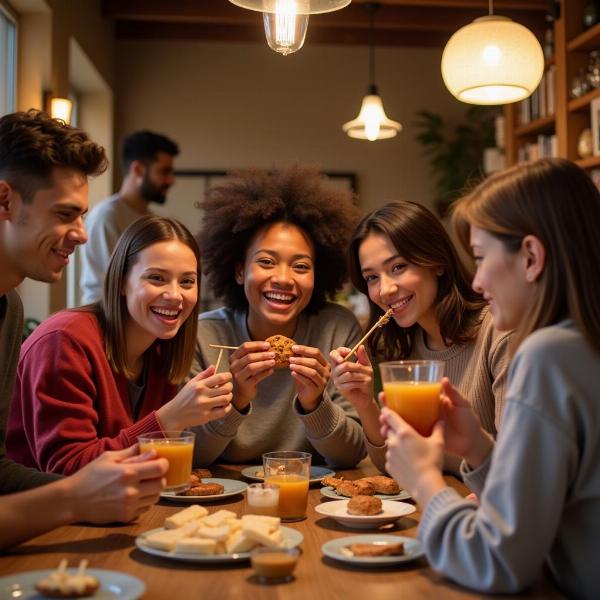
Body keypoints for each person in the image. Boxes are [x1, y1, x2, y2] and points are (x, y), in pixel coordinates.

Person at [381, 158, 600, 598]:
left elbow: (497, 562)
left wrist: (424, 480)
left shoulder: (547, 355)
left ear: (532, 258)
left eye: (480, 258)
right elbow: (550, 507)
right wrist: (480, 450)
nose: (477, 282)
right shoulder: (583, 343)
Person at [0, 109, 168, 546]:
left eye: (82, 215)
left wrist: (104, 489)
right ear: (4, 201)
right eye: (65, 214)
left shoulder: (9, 309)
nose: (82, 234)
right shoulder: (64, 337)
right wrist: (72, 497)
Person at [8, 215, 233, 475]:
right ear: (123, 282)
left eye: (187, 282)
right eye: (156, 278)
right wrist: (170, 419)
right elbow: (67, 470)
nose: (174, 295)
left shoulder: (163, 350)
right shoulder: (65, 340)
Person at [190, 165, 366, 468]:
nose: (284, 278)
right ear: (239, 270)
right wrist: (238, 399)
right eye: (267, 261)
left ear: (318, 274)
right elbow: (191, 455)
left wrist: (314, 403)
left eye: (300, 266)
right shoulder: (204, 336)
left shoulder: (337, 329)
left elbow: (351, 455)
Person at [330, 201, 510, 473]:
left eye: (398, 267)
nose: (385, 290)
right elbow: (395, 466)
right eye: (371, 278)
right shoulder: (408, 347)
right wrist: (363, 403)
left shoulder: (499, 332)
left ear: (436, 262)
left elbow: (518, 470)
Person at [79, 130, 179, 304]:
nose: (171, 180)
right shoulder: (107, 216)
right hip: (104, 322)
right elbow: (107, 286)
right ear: (138, 169)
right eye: (164, 172)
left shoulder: (152, 220)